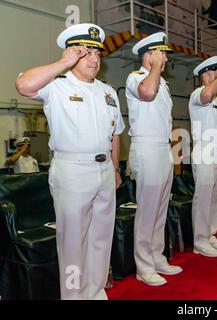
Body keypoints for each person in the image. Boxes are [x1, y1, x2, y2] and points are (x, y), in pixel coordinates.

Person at [15, 23, 125, 300]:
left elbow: (115, 135)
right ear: (71, 55)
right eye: (85, 52)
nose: (94, 59)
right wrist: (63, 62)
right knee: (73, 242)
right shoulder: (56, 86)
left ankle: (96, 290)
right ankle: (74, 296)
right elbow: (23, 85)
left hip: (104, 170)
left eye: (97, 53)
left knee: (101, 238)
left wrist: (114, 168)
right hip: (73, 171)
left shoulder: (108, 92)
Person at [126, 32, 182, 287]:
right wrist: (155, 68)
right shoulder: (136, 78)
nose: (166, 58)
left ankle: (157, 257)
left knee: (160, 208)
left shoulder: (164, 83)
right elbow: (147, 94)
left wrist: (157, 69)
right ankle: (143, 266)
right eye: (161, 53)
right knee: (147, 210)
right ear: (148, 55)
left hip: (162, 148)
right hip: (146, 149)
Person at [189, 56, 217, 258]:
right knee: (203, 197)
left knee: (215, 196)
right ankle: (200, 240)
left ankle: (210, 234)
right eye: (216, 72)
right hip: (204, 149)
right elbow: (207, 95)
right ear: (207, 74)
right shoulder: (199, 94)